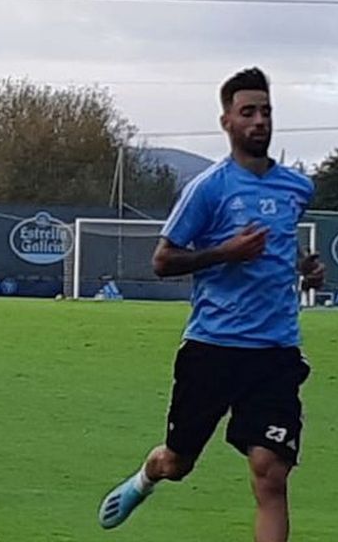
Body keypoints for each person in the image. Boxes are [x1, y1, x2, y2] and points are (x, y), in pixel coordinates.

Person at [97, 67, 324, 542]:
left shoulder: (296, 189)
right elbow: (162, 260)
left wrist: (305, 267)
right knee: (179, 463)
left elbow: (281, 242)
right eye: (248, 112)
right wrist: (225, 252)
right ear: (226, 122)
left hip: (276, 352)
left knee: (271, 473)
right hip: (212, 349)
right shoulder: (209, 189)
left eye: (265, 111)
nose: (259, 121)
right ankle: (147, 476)